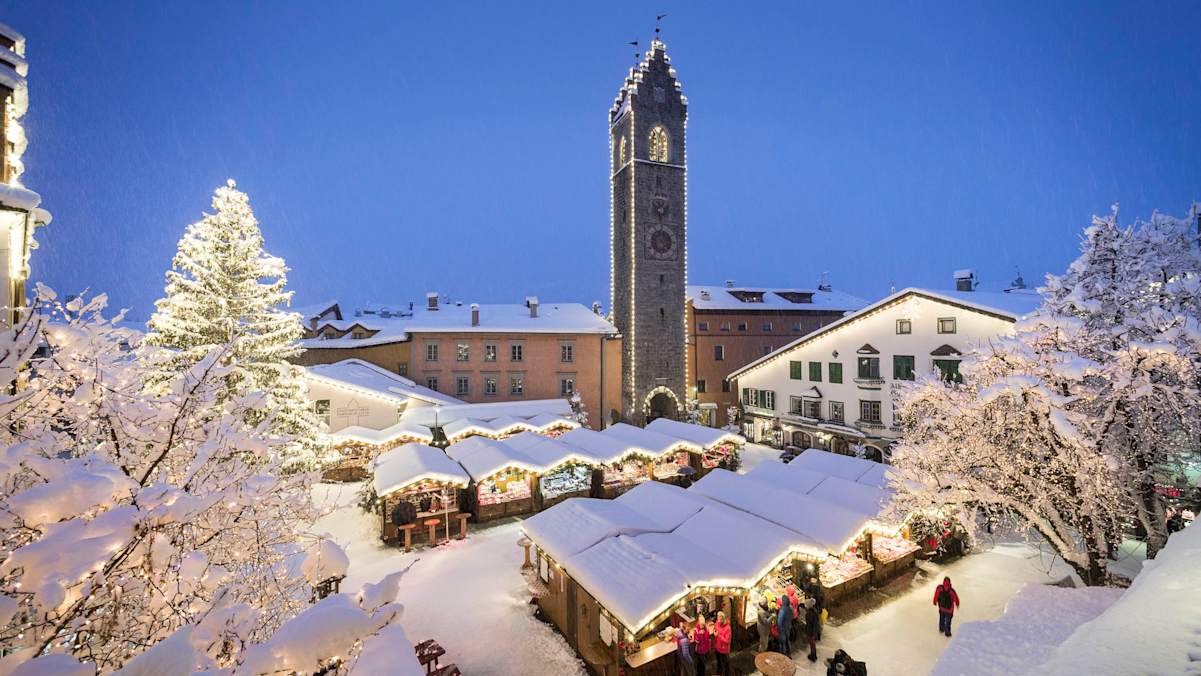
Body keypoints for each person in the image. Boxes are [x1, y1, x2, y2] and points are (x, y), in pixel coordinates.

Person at [713, 611, 732, 676]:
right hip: (717, 648)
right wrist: (714, 632)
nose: (718, 620)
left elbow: (727, 641)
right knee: (719, 664)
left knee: (726, 665)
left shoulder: (727, 628)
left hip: (724, 650)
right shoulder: (717, 623)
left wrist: (718, 635)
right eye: (718, 618)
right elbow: (715, 628)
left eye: (720, 619)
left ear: (723, 619)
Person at [807, 576, 826, 640]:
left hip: (816, 610)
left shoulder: (815, 595)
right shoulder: (819, 593)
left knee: (816, 623)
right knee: (817, 623)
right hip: (818, 610)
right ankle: (818, 634)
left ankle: (817, 635)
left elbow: (815, 602)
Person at [802, 597, 820, 662]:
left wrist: (807, 632)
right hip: (814, 630)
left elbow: (809, 624)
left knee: (812, 643)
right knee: (813, 643)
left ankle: (813, 656)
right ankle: (813, 654)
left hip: (811, 631)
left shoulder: (809, 614)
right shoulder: (814, 611)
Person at [776, 592, 793, 656]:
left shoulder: (782, 610)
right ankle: (789, 653)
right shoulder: (790, 607)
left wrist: (779, 629)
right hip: (788, 626)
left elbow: (779, 622)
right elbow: (792, 616)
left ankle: (783, 655)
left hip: (783, 628)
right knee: (788, 640)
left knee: (782, 642)